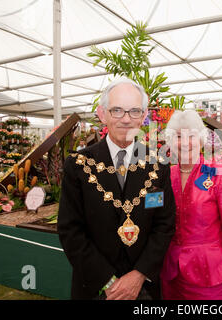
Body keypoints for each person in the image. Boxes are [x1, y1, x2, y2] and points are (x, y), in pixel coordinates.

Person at [57, 77, 176, 300]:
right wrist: (109, 282)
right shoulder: (79, 165)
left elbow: (164, 225)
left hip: (144, 289)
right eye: (117, 110)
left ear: (143, 116)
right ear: (102, 114)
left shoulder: (158, 165)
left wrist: (138, 275)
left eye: (134, 111)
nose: (126, 119)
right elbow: (70, 230)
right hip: (95, 288)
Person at [160, 110, 222, 300]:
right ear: (170, 141)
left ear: (200, 139)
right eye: (178, 136)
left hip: (208, 278)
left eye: (191, 136)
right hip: (171, 276)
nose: (185, 143)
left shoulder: (219, 174)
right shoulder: (165, 175)